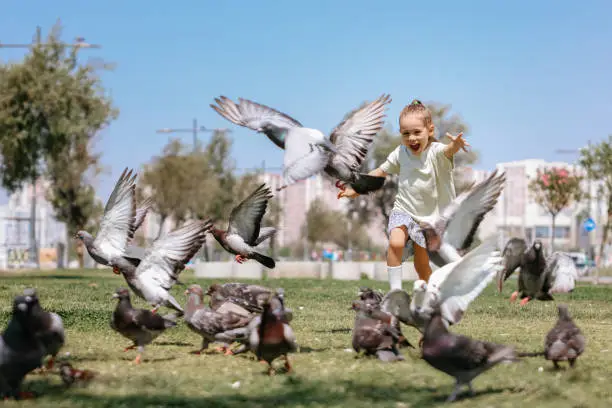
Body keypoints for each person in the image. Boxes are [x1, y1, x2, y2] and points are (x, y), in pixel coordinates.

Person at [337, 99, 469, 290]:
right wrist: (355, 189)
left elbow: (449, 151)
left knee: (422, 265)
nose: (411, 138)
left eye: (417, 132)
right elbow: (380, 172)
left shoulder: (437, 152)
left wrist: (455, 146)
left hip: (429, 220)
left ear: (430, 131)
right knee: (395, 243)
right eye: (406, 133)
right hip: (404, 210)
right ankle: (395, 292)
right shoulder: (400, 153)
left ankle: (427, 293)